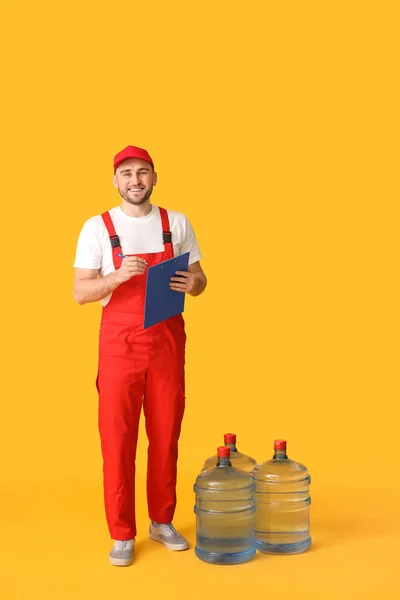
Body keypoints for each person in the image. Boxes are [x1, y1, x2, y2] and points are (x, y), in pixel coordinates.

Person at [73, 145, 207, 566]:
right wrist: (116, 276)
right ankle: (122, 533)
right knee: (118, 439)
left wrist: (193, 284)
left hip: (167, 344)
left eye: (143, 172)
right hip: (119, 346)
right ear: (115, 180)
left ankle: (162, 521)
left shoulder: (177, 223)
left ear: (154, 177)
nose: (135, 180)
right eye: (127, 173)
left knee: (166, 436)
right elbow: (81, 292)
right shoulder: (98, 227)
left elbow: (202, 279)